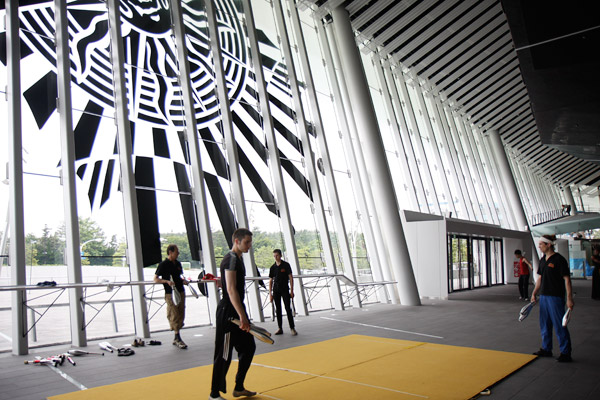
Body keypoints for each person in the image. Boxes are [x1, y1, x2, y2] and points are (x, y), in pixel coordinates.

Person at [209, 228, 257, 400]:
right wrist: (242, 317)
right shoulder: (231, 259)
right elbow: (231, 290)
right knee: (224, 355)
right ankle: (214, 394)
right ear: (237, 241)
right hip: (229, 314)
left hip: (235, 310)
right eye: (246, 242)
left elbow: (228, 284)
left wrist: (220, 281)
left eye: (250, 242)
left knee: (249, 347)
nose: (249, 245)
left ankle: (239, 387)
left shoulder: (237, 259)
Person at [531, 235, 574, 362]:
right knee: (544, 324)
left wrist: (569, 298)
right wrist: (534, 293)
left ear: (548, 244)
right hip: (544, 296)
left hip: (555, 297)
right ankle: (546, 349)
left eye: (541, 244)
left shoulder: (559, 260)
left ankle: (565, 353)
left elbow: (567, 280)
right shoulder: (542, 260)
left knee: (560, 325)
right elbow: (540, 278)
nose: (539, 246)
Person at [154, 244, 189, 349]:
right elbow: (156, 279)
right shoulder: (163, 264)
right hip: (170, 293)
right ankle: (177, 336)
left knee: (181, 312)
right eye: (176, 252)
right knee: (173, 313)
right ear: (170, 252)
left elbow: (179, 277)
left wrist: (183, 281)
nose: (178, 253)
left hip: (180, 291)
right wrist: (166, 281)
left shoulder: (178, 264)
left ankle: (176, 336)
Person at [269, 249, 297, 336]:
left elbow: (291, 278)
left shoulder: (286, 265)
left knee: (288, 308)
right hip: (276, 290)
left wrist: (291, 291)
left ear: (280, 255)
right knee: (278, 310)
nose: (275, 257)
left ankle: (292, 328)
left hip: (285, 289)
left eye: (277, 255)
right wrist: (270, 294)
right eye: (274, 256)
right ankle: (280, 328)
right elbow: (271, 280)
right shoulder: (272, 267)